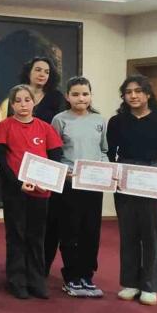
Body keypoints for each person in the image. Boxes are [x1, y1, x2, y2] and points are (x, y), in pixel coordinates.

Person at [108, 75, 157, 306]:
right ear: (123, 96)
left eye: (138, 91)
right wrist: (112, 174)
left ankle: (149, 286)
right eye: (128, 92)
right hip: (125, 176)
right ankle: (130, 283)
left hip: (154, 176)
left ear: (148, 94)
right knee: (128, 233)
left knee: (151, 235)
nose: (133, 96)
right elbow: (110, 153)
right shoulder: (117, 121)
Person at [0, 85, 63, 300]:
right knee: (16, 235)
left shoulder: (45, 128)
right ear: (12, 104)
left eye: (27, 100)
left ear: (34, 102)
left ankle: (36, 280)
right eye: (18, 100)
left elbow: (56, 157)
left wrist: (48, 181)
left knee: (36, 236)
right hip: (15, 191)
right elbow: (2, 161)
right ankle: (17, 280)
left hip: (40, 192)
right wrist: (18, 184)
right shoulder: (4, 127)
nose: (23, 104)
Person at [50, 77, 108, 297]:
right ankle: (72, 277)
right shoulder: (59, 120)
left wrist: (105, 169)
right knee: (70, 230)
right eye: (75, 94)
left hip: (93, 184)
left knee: (90, 231)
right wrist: (64, 172)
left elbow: (104, 151)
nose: (80, 98)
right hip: (69, 184)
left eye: (85, 94)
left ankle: (86, 276)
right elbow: (54, 153)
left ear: (90, 96)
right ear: (67, 96)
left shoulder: (99, 120)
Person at [20, 57, 67, 277]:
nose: (42, 74)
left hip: (48, 162)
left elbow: (60, 130)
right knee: (22, 221)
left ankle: (42, 267)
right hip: (22, 162)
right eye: (38, 70)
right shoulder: (19, 94)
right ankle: (21, 266)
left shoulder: (56, 97)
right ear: (29, 71)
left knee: (49, 219)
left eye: (46, 71)